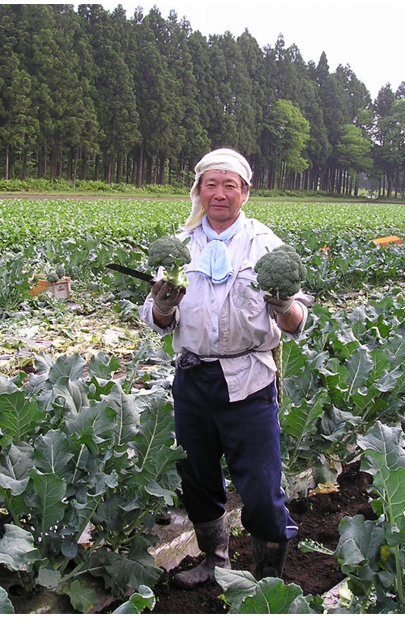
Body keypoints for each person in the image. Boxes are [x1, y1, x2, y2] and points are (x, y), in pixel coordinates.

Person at [139, 148, 310, 588]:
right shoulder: (181, 246)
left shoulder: (265, 246)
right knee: (196, 477)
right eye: (210, 185)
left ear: (245, 192)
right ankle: (214, 563)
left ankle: (266, 580)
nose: (219, 194)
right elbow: (158, 323)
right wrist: (161, 306)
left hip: (249, 379)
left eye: (229, 185)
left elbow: (296, 326)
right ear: (198, 191)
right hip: (194, 377)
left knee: (261, 487)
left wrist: (284, 304)